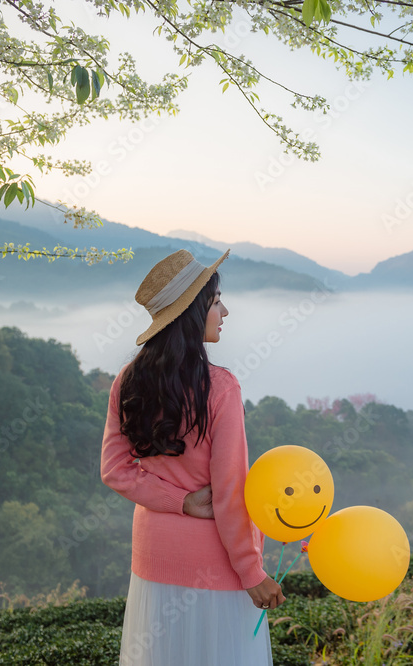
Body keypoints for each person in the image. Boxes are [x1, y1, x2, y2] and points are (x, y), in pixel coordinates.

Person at [100, 248, 284, 665]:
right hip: (214, 567)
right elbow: (231, 491)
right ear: (192, 312)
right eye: (217, 302)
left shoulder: (127, 381)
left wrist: (177, 502)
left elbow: (115, 470)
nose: (225, 311)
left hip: (153, 561)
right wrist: (251, 571)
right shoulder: (221, 388)